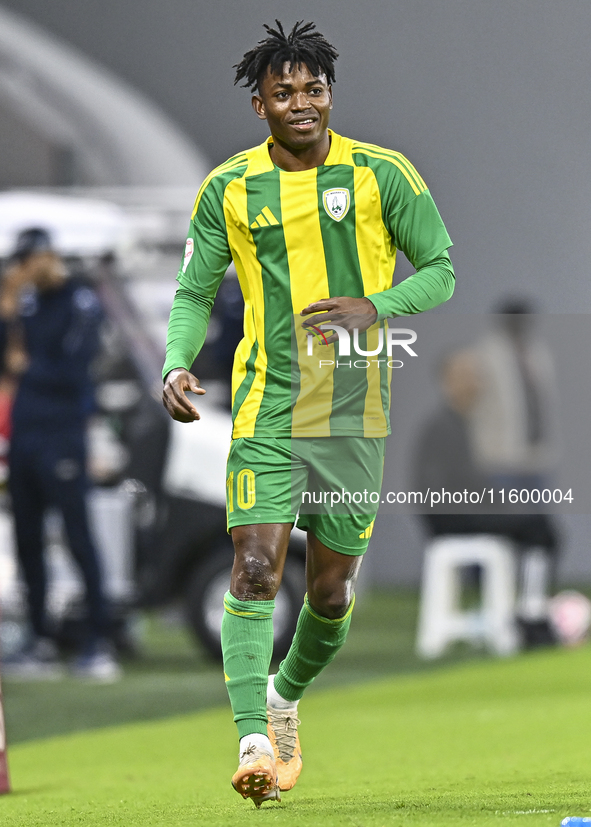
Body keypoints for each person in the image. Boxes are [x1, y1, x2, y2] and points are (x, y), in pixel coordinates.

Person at [162, 20, 454, 806]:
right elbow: (194, 291)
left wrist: (376, 304)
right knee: (256, 567)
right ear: (258, 104)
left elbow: (441, 268)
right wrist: (176, 359)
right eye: (283, 92)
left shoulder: (381, 174)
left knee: (328, 592)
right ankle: (253, 734)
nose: (301, 103)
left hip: (352, 403)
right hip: (268, 402)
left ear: (329, 95)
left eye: (313, 89)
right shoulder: (228, 187)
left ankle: (286, 695)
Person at [0, 227, 120, 681]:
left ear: (48, 257)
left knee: (77, 537)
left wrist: (25, 365)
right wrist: (7, 316)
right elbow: (6, 360)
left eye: (29, 260)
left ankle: (98, 641)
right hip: (26, 436)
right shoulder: (25, 305)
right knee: (28, 539)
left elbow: (72, 371)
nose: (23, 271)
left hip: (63, 435)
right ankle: (39, 639)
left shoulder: (79, 301)